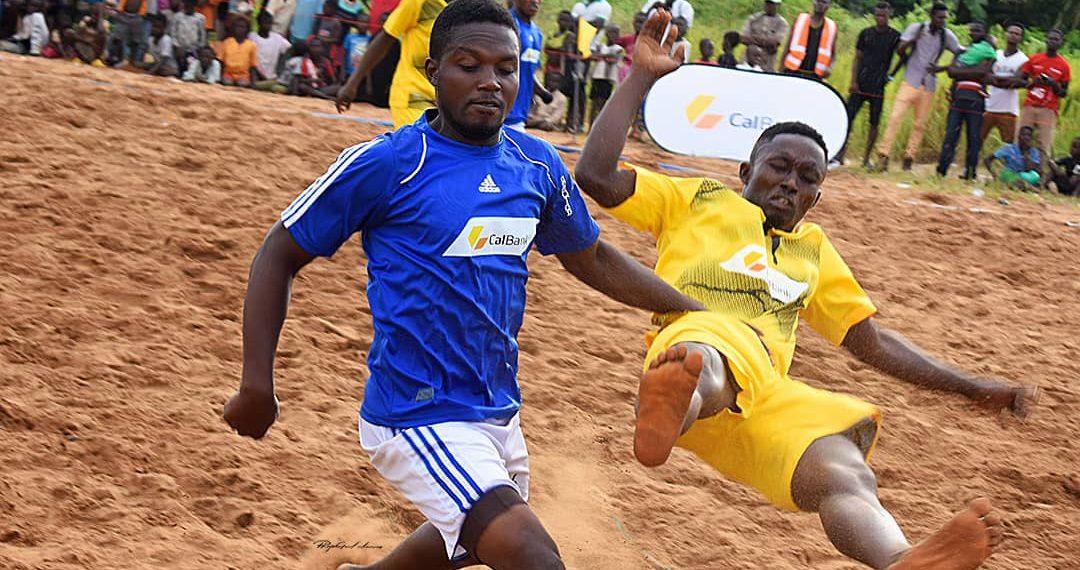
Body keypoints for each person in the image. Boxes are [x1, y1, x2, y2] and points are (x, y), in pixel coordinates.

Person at [225, 3, 703, 570]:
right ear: (433, 72)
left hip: (496, 407)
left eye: (505, 68)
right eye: (468, 66)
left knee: (472, 537)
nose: (489, 83)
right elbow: (278, 251)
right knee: (532, 555)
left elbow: (591, 257)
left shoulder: (536, 164)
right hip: (415, 412)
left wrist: (691, 308)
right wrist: (257, 383)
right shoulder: (390, 163)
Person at [575, 10, 1036, 570]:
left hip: (767, 397)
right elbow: (595, 175)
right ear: (746, 169)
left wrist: (970, 386)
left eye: (808, 178)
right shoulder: (697, 199)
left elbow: (873, 343)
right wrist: (641, 77)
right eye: (779, 167)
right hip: (692, 352)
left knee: (843, 468)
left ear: (817, 197)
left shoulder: (814, 251)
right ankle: (673, 403)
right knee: (708, 348)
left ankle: (900, 561)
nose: (791, 182)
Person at [875, 2, 961, 171]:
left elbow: (960, 52)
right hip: (910, 81)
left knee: (919, 125)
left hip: (929, 84)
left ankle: (909, 158)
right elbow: (899, 50)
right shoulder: (916, 28)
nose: (942, 21)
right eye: (939, 17)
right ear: (931, 16)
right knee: (894, 118)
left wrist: (943, 68)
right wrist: (914, 39)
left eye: (945, 18)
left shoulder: (947, 35)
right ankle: (883, 155)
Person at [335, 0, 447, 127]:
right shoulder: (420, 2)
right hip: (413, 98)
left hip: (447, 103)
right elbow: (386, 37)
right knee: (419, 143)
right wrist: (352, 83)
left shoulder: (465, 9)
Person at [835, 1, 898, 168]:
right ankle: (840, 154)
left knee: (874, 122)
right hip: (860, 83)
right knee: (848, 118)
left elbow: (903, 56)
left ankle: (866, 158)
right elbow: (857, 58)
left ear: (889, 14)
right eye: (877, 15)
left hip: (878, 85)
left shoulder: (895, 36)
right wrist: (853, 80)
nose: (880, 18)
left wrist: (891, 76)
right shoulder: (865, 34)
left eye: (883, 16)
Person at [935, 20, 996, 180]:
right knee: (950, 136)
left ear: (984, 33)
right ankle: (941, 171)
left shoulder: (988, 51)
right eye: (972, 30)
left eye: (978, 30)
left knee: (973, 137)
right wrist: (971, 71)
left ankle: (970, 173)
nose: (974, 32)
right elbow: (952, 72)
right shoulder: (961, 52)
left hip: (976, 99)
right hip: (958, 98)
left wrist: (962, 70)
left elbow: (983, 73)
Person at [1016, 29, 1071, 165]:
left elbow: (1064, 92)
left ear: (1060, 43)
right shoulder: (1034, 59)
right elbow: (1021, 81)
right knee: (1020, 138)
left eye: (1056, 39)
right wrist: (1034, 82)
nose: (1052, 42)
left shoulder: (1064, 65)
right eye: (1050, 38)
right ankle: (1015, 167)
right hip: (1029, 105)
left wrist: (1053, 84)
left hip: (1048, 109)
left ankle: (1041, 174)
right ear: (1046, 39)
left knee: (1044, 143)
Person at [505, 0, 551, 132]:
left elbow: (527, 72)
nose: (535, 2)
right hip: (501, 113)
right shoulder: (506, 26)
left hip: (520, 114)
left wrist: (542, 92)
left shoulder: (537, 33)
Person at [981, 24, 1027, 147]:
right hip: (989, 106)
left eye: (1017, 34)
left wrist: (996, 79)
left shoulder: (1023, 59)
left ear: (1021, 38)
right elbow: (985, 75)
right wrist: (1007, 81)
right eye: (1011, 32)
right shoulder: (995, 54)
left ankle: (1008, 166)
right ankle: (970, 165)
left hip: (1008, 109)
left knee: (1009, 144)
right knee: (977, 139)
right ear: (1005, 34)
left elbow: (1017, 81)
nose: (1013, 35)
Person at [781, 0, 836, 82]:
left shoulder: (832, 26)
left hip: (815, 77)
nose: (820, 4)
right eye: (817, 1)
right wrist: (780, 69)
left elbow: (833, 54)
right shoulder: (800, 19)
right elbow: (787, 46)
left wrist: (829, 68)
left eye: (824, 2)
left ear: (829, 5)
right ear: (813, 1)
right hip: (792, 71)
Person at [984, 125, 1042, 190]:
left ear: (1031, 139)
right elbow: (987, 159)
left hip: (1023, 175)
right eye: (1024, 135)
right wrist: (994, 175)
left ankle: (1019, 185)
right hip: (1010, 173)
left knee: (1035, 176)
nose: (1026, 138)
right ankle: (1026, 187)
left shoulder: (1033, 151)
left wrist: (1026, 154)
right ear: (1019, 137)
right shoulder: (1009, 148)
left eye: (1029, 136)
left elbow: (1030, 168)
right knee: (1008, 175)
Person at [588, 23, 623, 128]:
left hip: (608, 79)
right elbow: (593, 56)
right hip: (597, 77)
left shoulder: (618, 48)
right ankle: (591, 126)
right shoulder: (601, 46)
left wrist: (601, 56)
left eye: (616, 33)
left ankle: (599, 126)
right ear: (607, 34)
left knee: (603, 103)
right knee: (594, 102)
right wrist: (604, 57)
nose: (614, 36)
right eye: (612, 33)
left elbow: (614, 58)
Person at [741, 0, 785, 72]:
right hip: (748, 62)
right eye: (767, 3)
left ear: (778, 6)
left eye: (771, 4)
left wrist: (753, 39)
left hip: (767, 64)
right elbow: (744, 38)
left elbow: (774, 42)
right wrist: (765, 41)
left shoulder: (782, 23)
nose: (768, 6)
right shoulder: (753, 18)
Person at [216, 15, 258, 86]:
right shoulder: (226, 42)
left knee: (242, 84)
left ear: (247, 29)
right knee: (227, 83)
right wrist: (220, 77)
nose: (239, 29)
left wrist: (253, 82)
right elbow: (221, 62)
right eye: (237, 26)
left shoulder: (251, 45)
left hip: (243, 75)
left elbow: (252, 66)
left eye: (242, 27)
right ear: (233, 28)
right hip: (228, 74)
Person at [169, 0, 206, 72]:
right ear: (184, 4)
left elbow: (202, 35)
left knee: (190, 66)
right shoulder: (177, 16)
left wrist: (199, 47)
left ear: (195, 5)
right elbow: (173, 33)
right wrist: (177, 46)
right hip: (179, 49)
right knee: (177, 67)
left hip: (193, 50)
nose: (189, 6)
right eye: (187, 4)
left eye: (192, 4)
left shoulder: (200, 18)